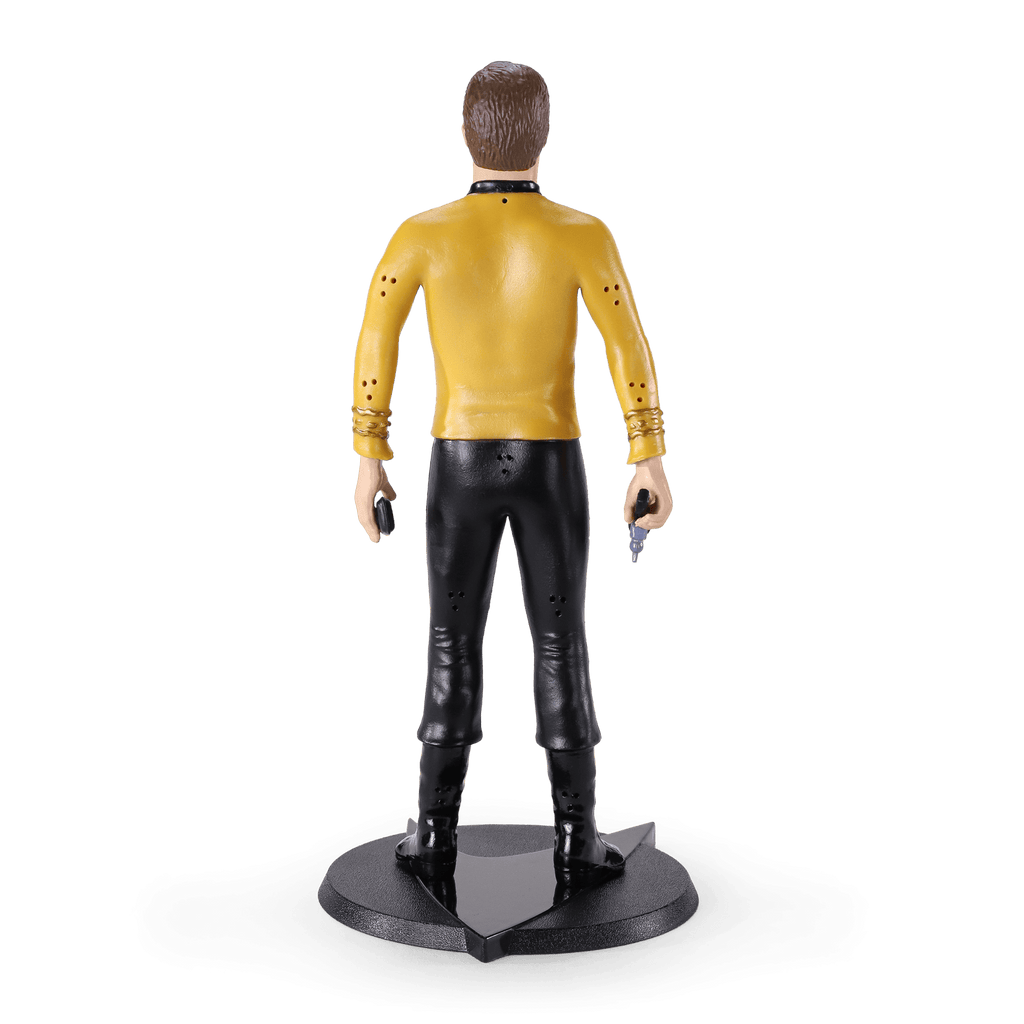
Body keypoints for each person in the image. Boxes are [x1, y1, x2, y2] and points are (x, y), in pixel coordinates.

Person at [350, 61, 673, 880]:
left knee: (449, 641)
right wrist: (648, 456)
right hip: (549, 459)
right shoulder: (582, 233)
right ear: (545, 133)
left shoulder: (419, 234)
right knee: (562, 643)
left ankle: (433, 835)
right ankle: (577, 838)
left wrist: (369, 458)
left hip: (457, 460)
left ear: (464, 133)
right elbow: (628, 346)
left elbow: (376, 339)